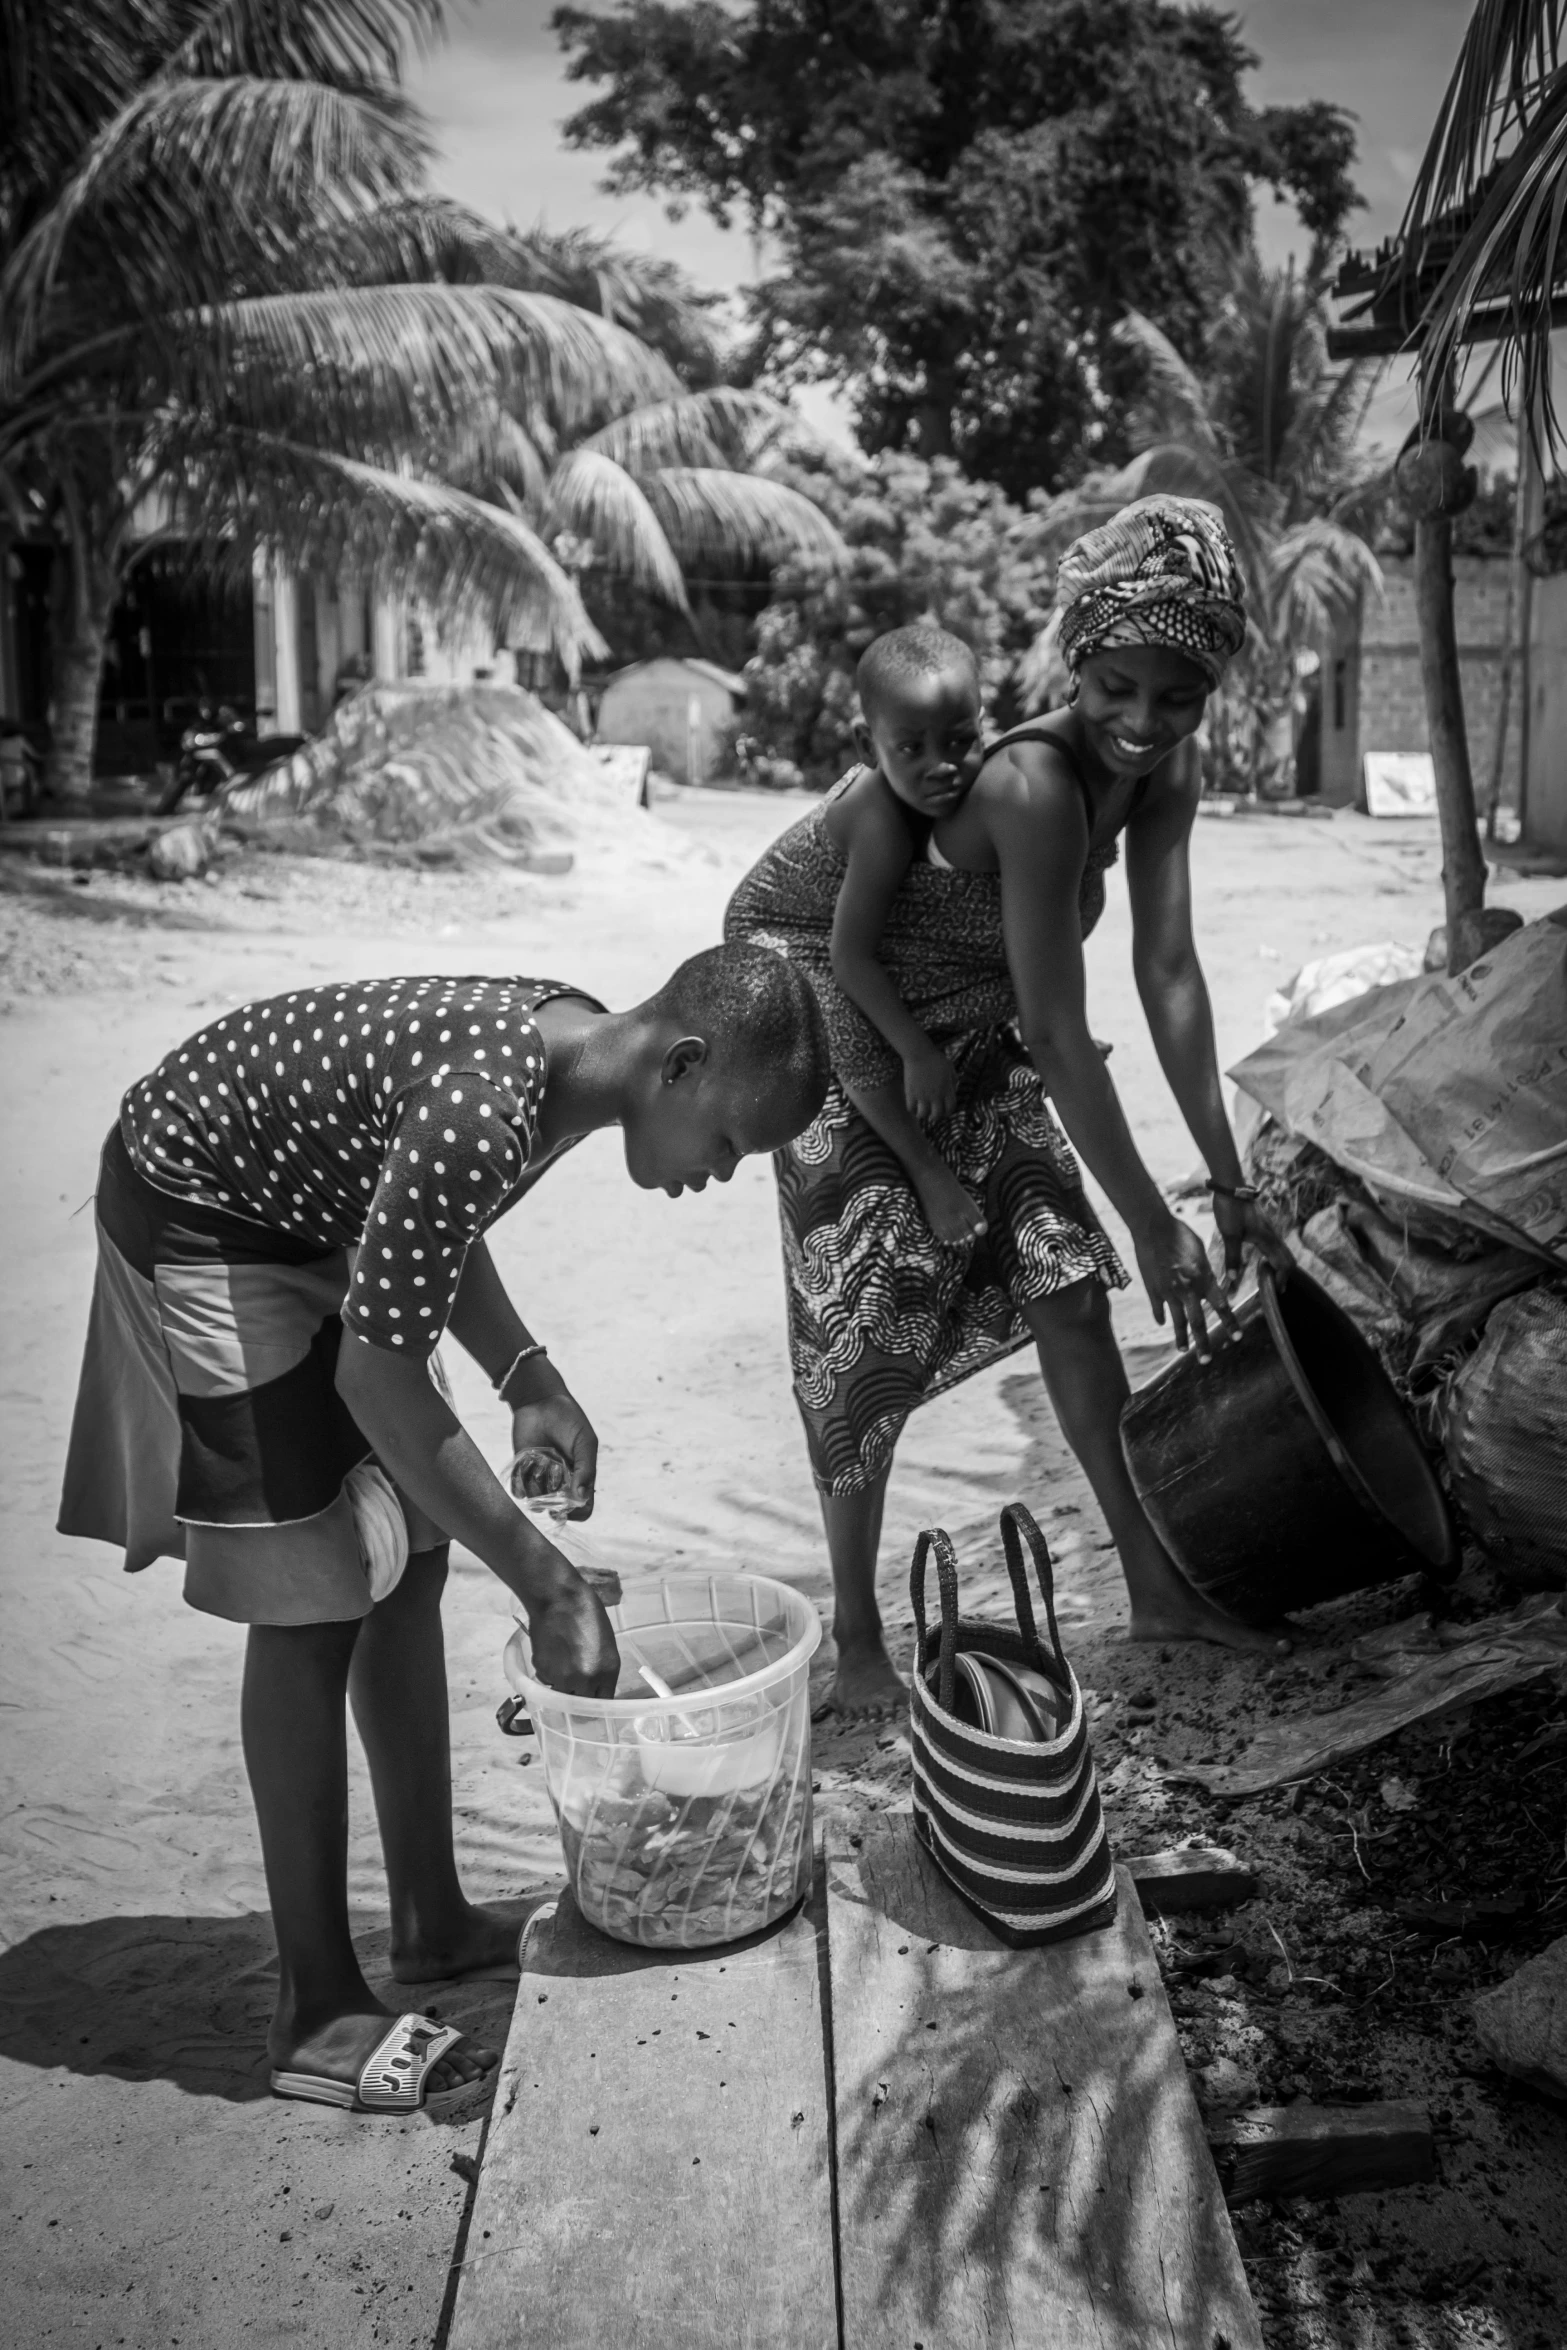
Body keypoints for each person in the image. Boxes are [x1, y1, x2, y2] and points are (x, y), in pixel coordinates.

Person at [58, 946, 829, 2115]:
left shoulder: (572, 1055)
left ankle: (428, 1914)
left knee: (411, 1554)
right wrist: (550, 1584)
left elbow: (426, 1218)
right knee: (313, 1589)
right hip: (201, 1202)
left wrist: (526, 1369)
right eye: (729, 1143)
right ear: (680, 1065)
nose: (719, 1174)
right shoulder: (492, 1096)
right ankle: (314, 2007)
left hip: (304, 1207)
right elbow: (380, 1374)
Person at [727, 494, 1289, 1719]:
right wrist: (1152, 1215)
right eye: (1118, 686)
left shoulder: (1162, 773)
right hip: (842, 1014)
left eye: (1177, 694)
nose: (1144, 722)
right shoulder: (1032, 785)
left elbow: (1169, 970)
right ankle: (859, 1641)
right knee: (860, 1323)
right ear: (1077, 661)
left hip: (974, 1025)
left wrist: (1224, 1180)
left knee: (1063, 1279)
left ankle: (1153, 1584)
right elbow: (1055, 1029)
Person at [817, 625, 988, 1244]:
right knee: (848, 1023)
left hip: (843, 922)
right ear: (868, 744)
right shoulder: (881, 821)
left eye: (961, 741)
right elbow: (849, 954)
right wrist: (916, 1052)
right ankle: (928, 1171)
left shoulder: (964, 789)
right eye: (911, 748)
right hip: (789, 932)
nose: (943, 765)